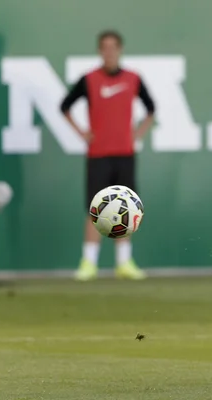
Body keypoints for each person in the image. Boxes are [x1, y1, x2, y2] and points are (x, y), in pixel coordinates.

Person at [60, 30, 156, 281]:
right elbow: (65, 106)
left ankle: (124, 262)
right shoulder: (90, 79)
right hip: (98, 154)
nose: (109, 51)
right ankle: (88, 262)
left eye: (113, 47)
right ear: (99, 51)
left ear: (120, 49)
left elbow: (151, 109)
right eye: (105, 47)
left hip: (124, 153)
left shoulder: (133, 79)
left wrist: (138, 133)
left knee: (126, 206)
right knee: (95, 208)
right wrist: (82, 132)